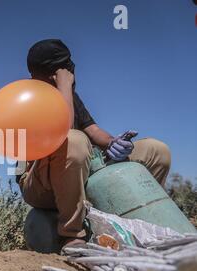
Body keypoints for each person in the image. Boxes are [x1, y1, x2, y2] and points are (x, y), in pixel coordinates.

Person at [18, 39, 171, 248]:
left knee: (156, 150)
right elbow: (64, 131)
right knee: (73, 141)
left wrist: (113, 142)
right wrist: (63, 86)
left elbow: (93, 130)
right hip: (39, 183)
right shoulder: (27, 97)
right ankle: (72, 234)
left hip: (80, 170)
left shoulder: (70, 96)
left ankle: (147, 220)